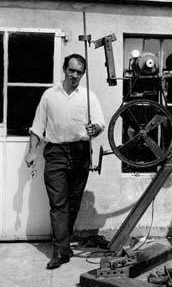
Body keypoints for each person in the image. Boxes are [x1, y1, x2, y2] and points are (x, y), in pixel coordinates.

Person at [25, 53, 105, 269]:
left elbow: (100, 122)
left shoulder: (89, 97)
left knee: (73, 202)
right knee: (58, 204)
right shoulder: (49, 96)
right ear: (64, 69)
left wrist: (95, 128)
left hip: (80, 153)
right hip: (55, 153)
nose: (74, 75)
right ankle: (60, 252)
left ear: (83, 74)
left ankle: (64, 244)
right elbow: (37, 126)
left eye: (79, 72)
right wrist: (32, 151)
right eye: (71, 70)